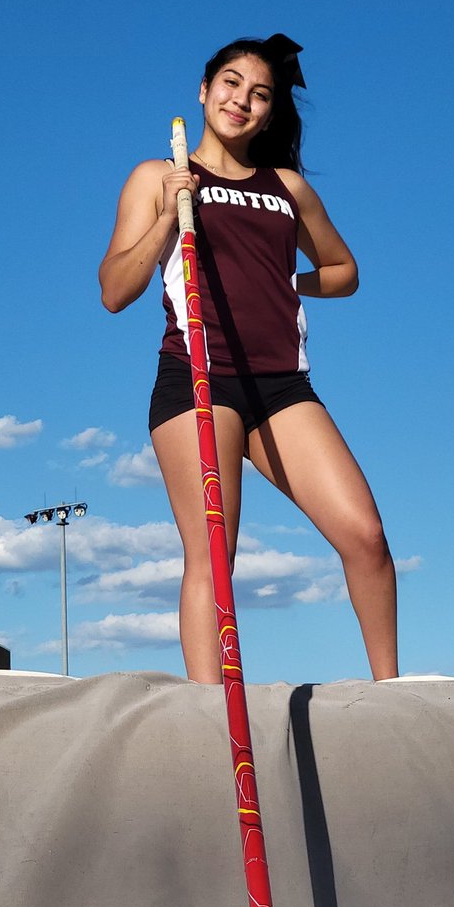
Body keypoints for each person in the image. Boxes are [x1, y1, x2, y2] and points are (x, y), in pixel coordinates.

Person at [99, 34, 398, 682]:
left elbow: (344, 271)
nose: (243, 99)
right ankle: (209, 715)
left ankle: (391, 697)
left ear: (269, 111)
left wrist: (286, 282)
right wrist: (172, 218)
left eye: (260, 93)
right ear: (205, 91)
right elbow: (115, 292)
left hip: (282, 385)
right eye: (231, 83)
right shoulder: (157, 177)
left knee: (366, 537)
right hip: (198, 377)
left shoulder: (286, 187)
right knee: (214, 555)